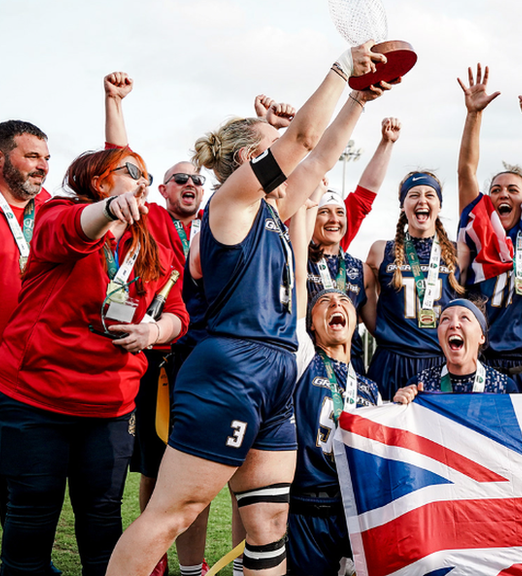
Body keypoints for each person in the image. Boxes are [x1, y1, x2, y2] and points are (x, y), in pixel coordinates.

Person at [106, 43, 392, 576]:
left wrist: (358, 100)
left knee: (268, 527)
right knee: (173, 514)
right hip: (232, 368)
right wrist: (340, 69)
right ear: (248, 160)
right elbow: (305, 137)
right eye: (273, 145)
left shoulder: (275, 211)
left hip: (278, 369)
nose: (290, 152)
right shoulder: (232, 202)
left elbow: (323, 155)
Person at [0, 146, 188, 575]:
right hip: (34, 399)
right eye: (133, 172)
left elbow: (177, 313)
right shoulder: (58, 213)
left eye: (148, 176)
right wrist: (109, 209)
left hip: (109, 407)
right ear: (99, 182)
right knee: (30, 523)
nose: (144, 181)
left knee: (103, 526)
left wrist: (152, 332)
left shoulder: (149, 243)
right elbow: (75, 229)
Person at [101, 69, 216, 576]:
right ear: (161, 190)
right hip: (161, 358)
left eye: (198, 180)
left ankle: (189, 563)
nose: (192, 185)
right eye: (181, 179)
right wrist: (115, 103)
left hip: (206, 360)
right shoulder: (150, 222)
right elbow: (120, 167)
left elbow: (260, 183)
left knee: (199, 468)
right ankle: (154, 562)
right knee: (156, 462)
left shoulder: (219, 224)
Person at [455, 65, 522, 393]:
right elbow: (465, 172)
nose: (502, 194)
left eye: (512, 189)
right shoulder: (479, 231)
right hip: (483, 361)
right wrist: (474, 115)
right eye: (496, 189)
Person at [0, 119, 51, 532]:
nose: (43, 166)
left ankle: (23, 563)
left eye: (46, 157)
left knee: (23, 489)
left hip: (24, 386)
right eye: (32, 156)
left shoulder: (52, 212)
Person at [288, 289, 382, 576]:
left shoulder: (371, 388)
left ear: (355, 321)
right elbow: (295, 306)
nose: (335, 304)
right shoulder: (303, 360)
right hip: (308, 508)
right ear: (311, 324)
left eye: (344, 302)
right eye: (324, 302)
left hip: (353, 512)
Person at [308, 117, 400, 374]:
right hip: (307, 363)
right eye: (324, 212)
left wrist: (386, 143)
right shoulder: (295, 255)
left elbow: (378, 329)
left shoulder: (361, 270)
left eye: (340, 213)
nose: (335, 219)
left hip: (351, 365)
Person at [364, 170, 465, 400]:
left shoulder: (459, 252)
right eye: (413, 195)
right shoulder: (381, 250)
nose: (422, 200)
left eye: (430, 195)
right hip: (392, 360)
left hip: (439, 361)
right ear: (403, 205)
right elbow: (371, 314)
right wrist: (391, 335)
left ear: (439, 205)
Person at [393, 298, 518, 401]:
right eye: (445, 319)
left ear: (481, 337)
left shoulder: (504, 388)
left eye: (464, 317)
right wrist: (399, 406)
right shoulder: (419, 385)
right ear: (439, 339)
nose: (453, 324)